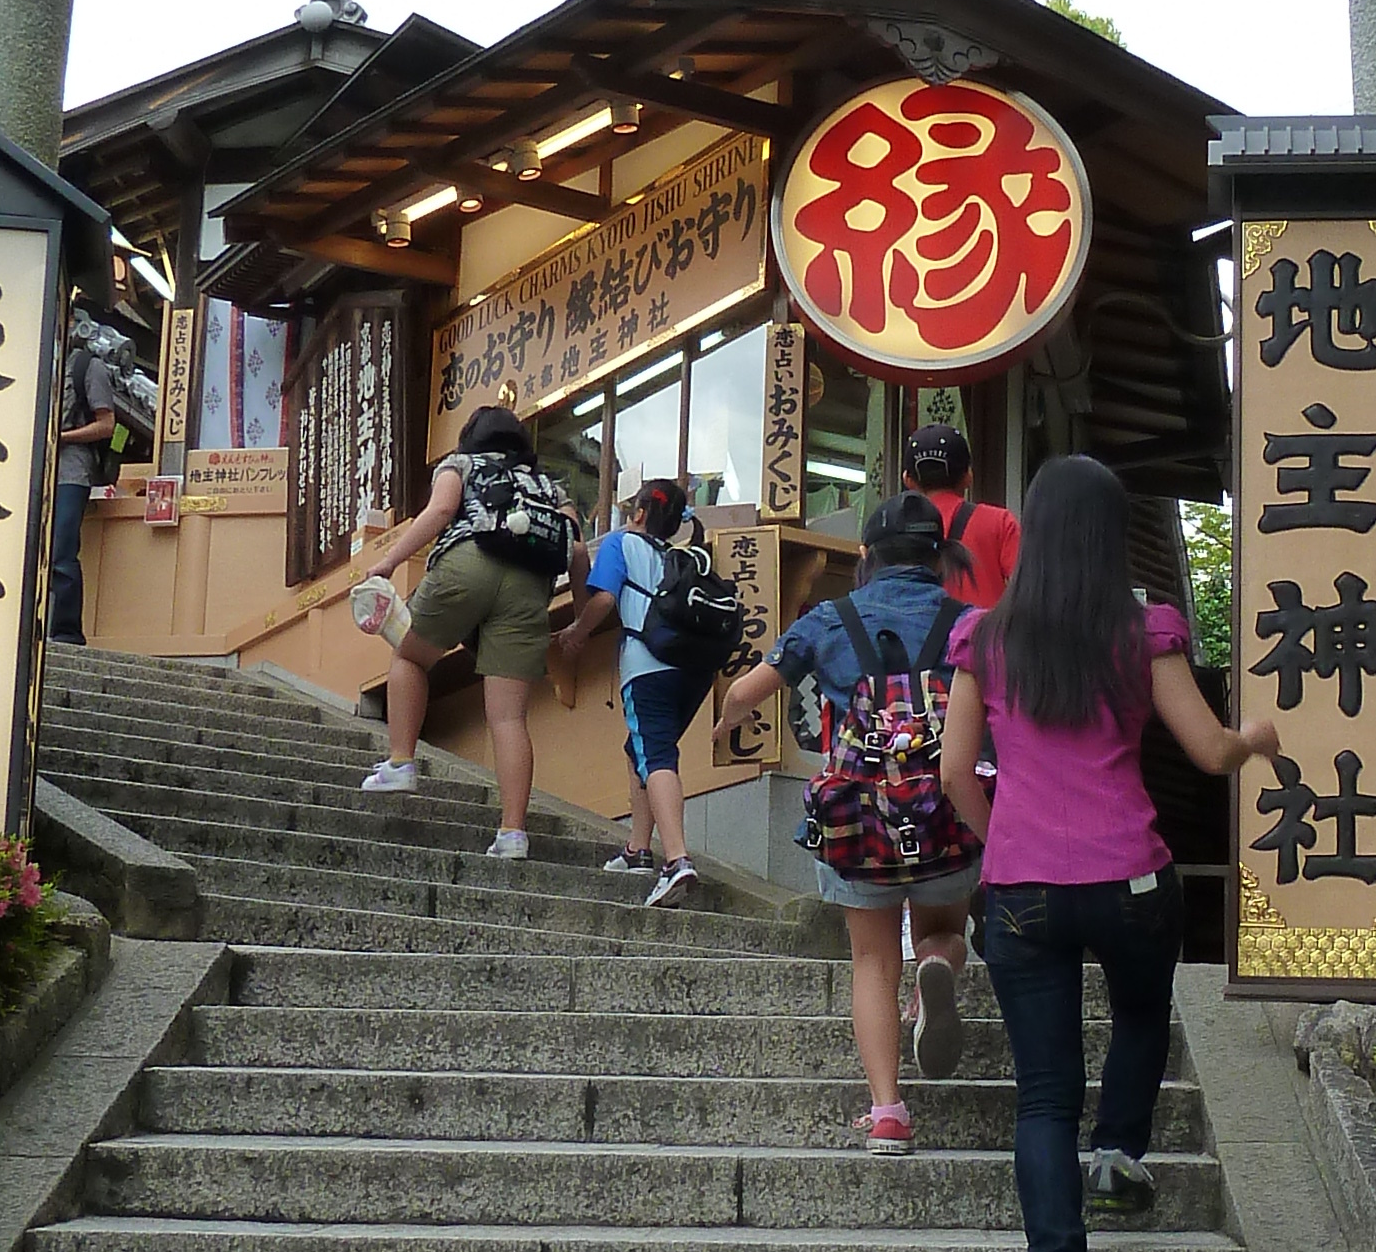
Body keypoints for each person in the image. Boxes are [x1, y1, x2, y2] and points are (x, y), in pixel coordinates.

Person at [942, 452, 1280, 1252]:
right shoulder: (1145, 632)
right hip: (1130, 876)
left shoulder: (984, 638)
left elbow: (951, 773)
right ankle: (1120, 1151)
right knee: (1139, 1013)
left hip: (1022, 889)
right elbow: (1210, 754)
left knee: (1043, 1093)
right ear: (1107, 535)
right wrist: (1256, 738)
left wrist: (999, 840)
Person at [717, 490, 980, 1144]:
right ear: (940, 556)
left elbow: (748, 691)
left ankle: (888, 1112)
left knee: (870, 960)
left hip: (860, 821)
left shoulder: (830, 620)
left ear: (866, 555)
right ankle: (939, 969)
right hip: (947, 813)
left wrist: (728, 719)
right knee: (943, 931)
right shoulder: (971, 621)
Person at [348, 403, 574, 863]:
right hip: (530, 587)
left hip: (467, 564)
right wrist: (582, 621)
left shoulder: (461, 463)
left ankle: (401, 762)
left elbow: (442, 510)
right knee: (509, 718)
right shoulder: (550, 488)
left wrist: (388, 562)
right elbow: (578, 549)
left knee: (411, 657)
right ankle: (513, 833)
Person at [554, 476, 709, 908]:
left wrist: (577, 631)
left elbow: (602, 601)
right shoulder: (683, 556)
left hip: (648, 667)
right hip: (692, 672)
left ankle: (676, 860)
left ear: (639, 513)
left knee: (656, 754)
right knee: (637, 748)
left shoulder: (624, 544)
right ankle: (638, 849)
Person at [47, 320, 124, 642]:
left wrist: (59, 437)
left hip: (71, 471)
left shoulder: (87, 367)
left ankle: (66, 633)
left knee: (61, 552)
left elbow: (107, 425)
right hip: (32, 470)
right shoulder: (31, 367)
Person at [905, 419, 1020, 611]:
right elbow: (1029, 587)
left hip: (914, 638)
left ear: (907, 480)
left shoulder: (891, 529)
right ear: (968, 477)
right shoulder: (1000, 523)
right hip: (982, 638)